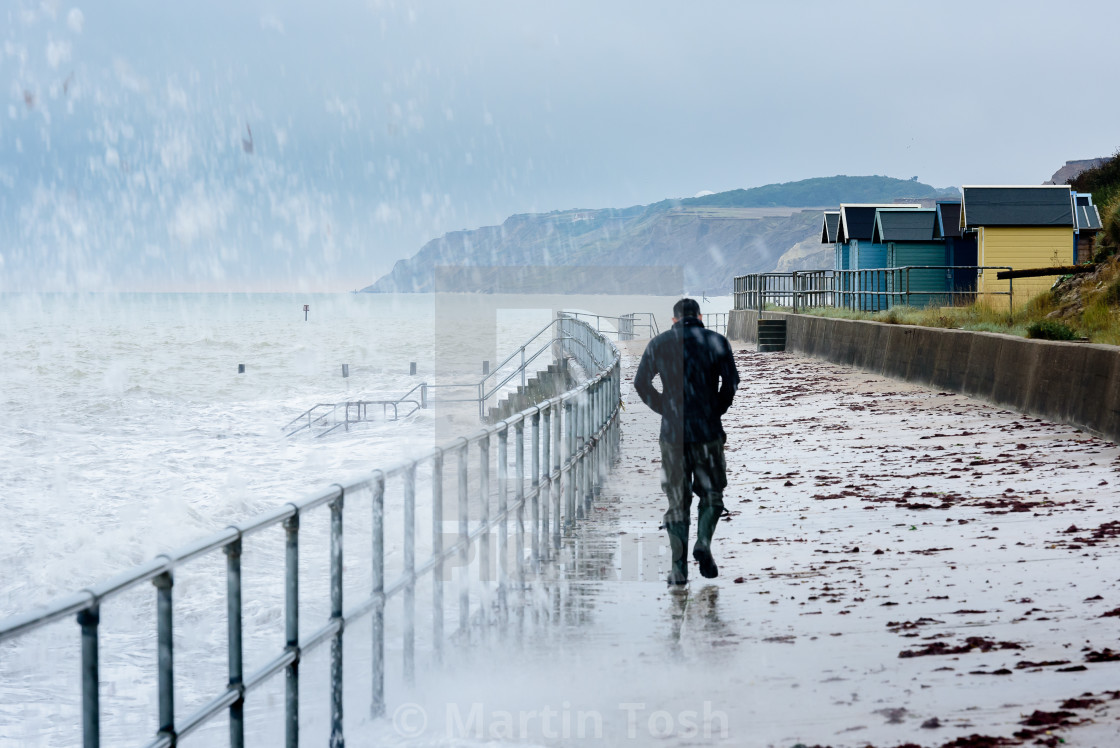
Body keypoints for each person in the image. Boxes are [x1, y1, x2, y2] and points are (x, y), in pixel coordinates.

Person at [634, 298, 740, 586]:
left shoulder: (659, 343)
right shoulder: (716, 341)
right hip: (707, 432)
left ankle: (678, 568)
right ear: (699, 316)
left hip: (673, 435)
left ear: (674, 320)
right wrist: (715, 409)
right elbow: (731, 382)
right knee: (711, 494)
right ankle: (703, 543)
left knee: (677, 502)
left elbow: (640, 383)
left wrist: (665, 409)